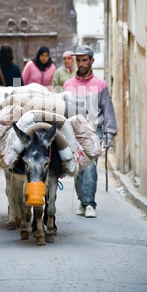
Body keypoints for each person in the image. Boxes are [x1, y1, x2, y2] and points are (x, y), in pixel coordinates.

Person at [63, 45, 117, 218]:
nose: (81, 63)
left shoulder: (100, 85)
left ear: (92, 61)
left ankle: (89, 204)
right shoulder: (68, 85)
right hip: (73, 132)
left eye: (85, 60)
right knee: (77, 169)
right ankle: (82, 201)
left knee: (91, 168)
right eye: (78, 60)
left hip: (94, 131)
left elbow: (107, 110)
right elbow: (63, 111)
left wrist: (109, 134)